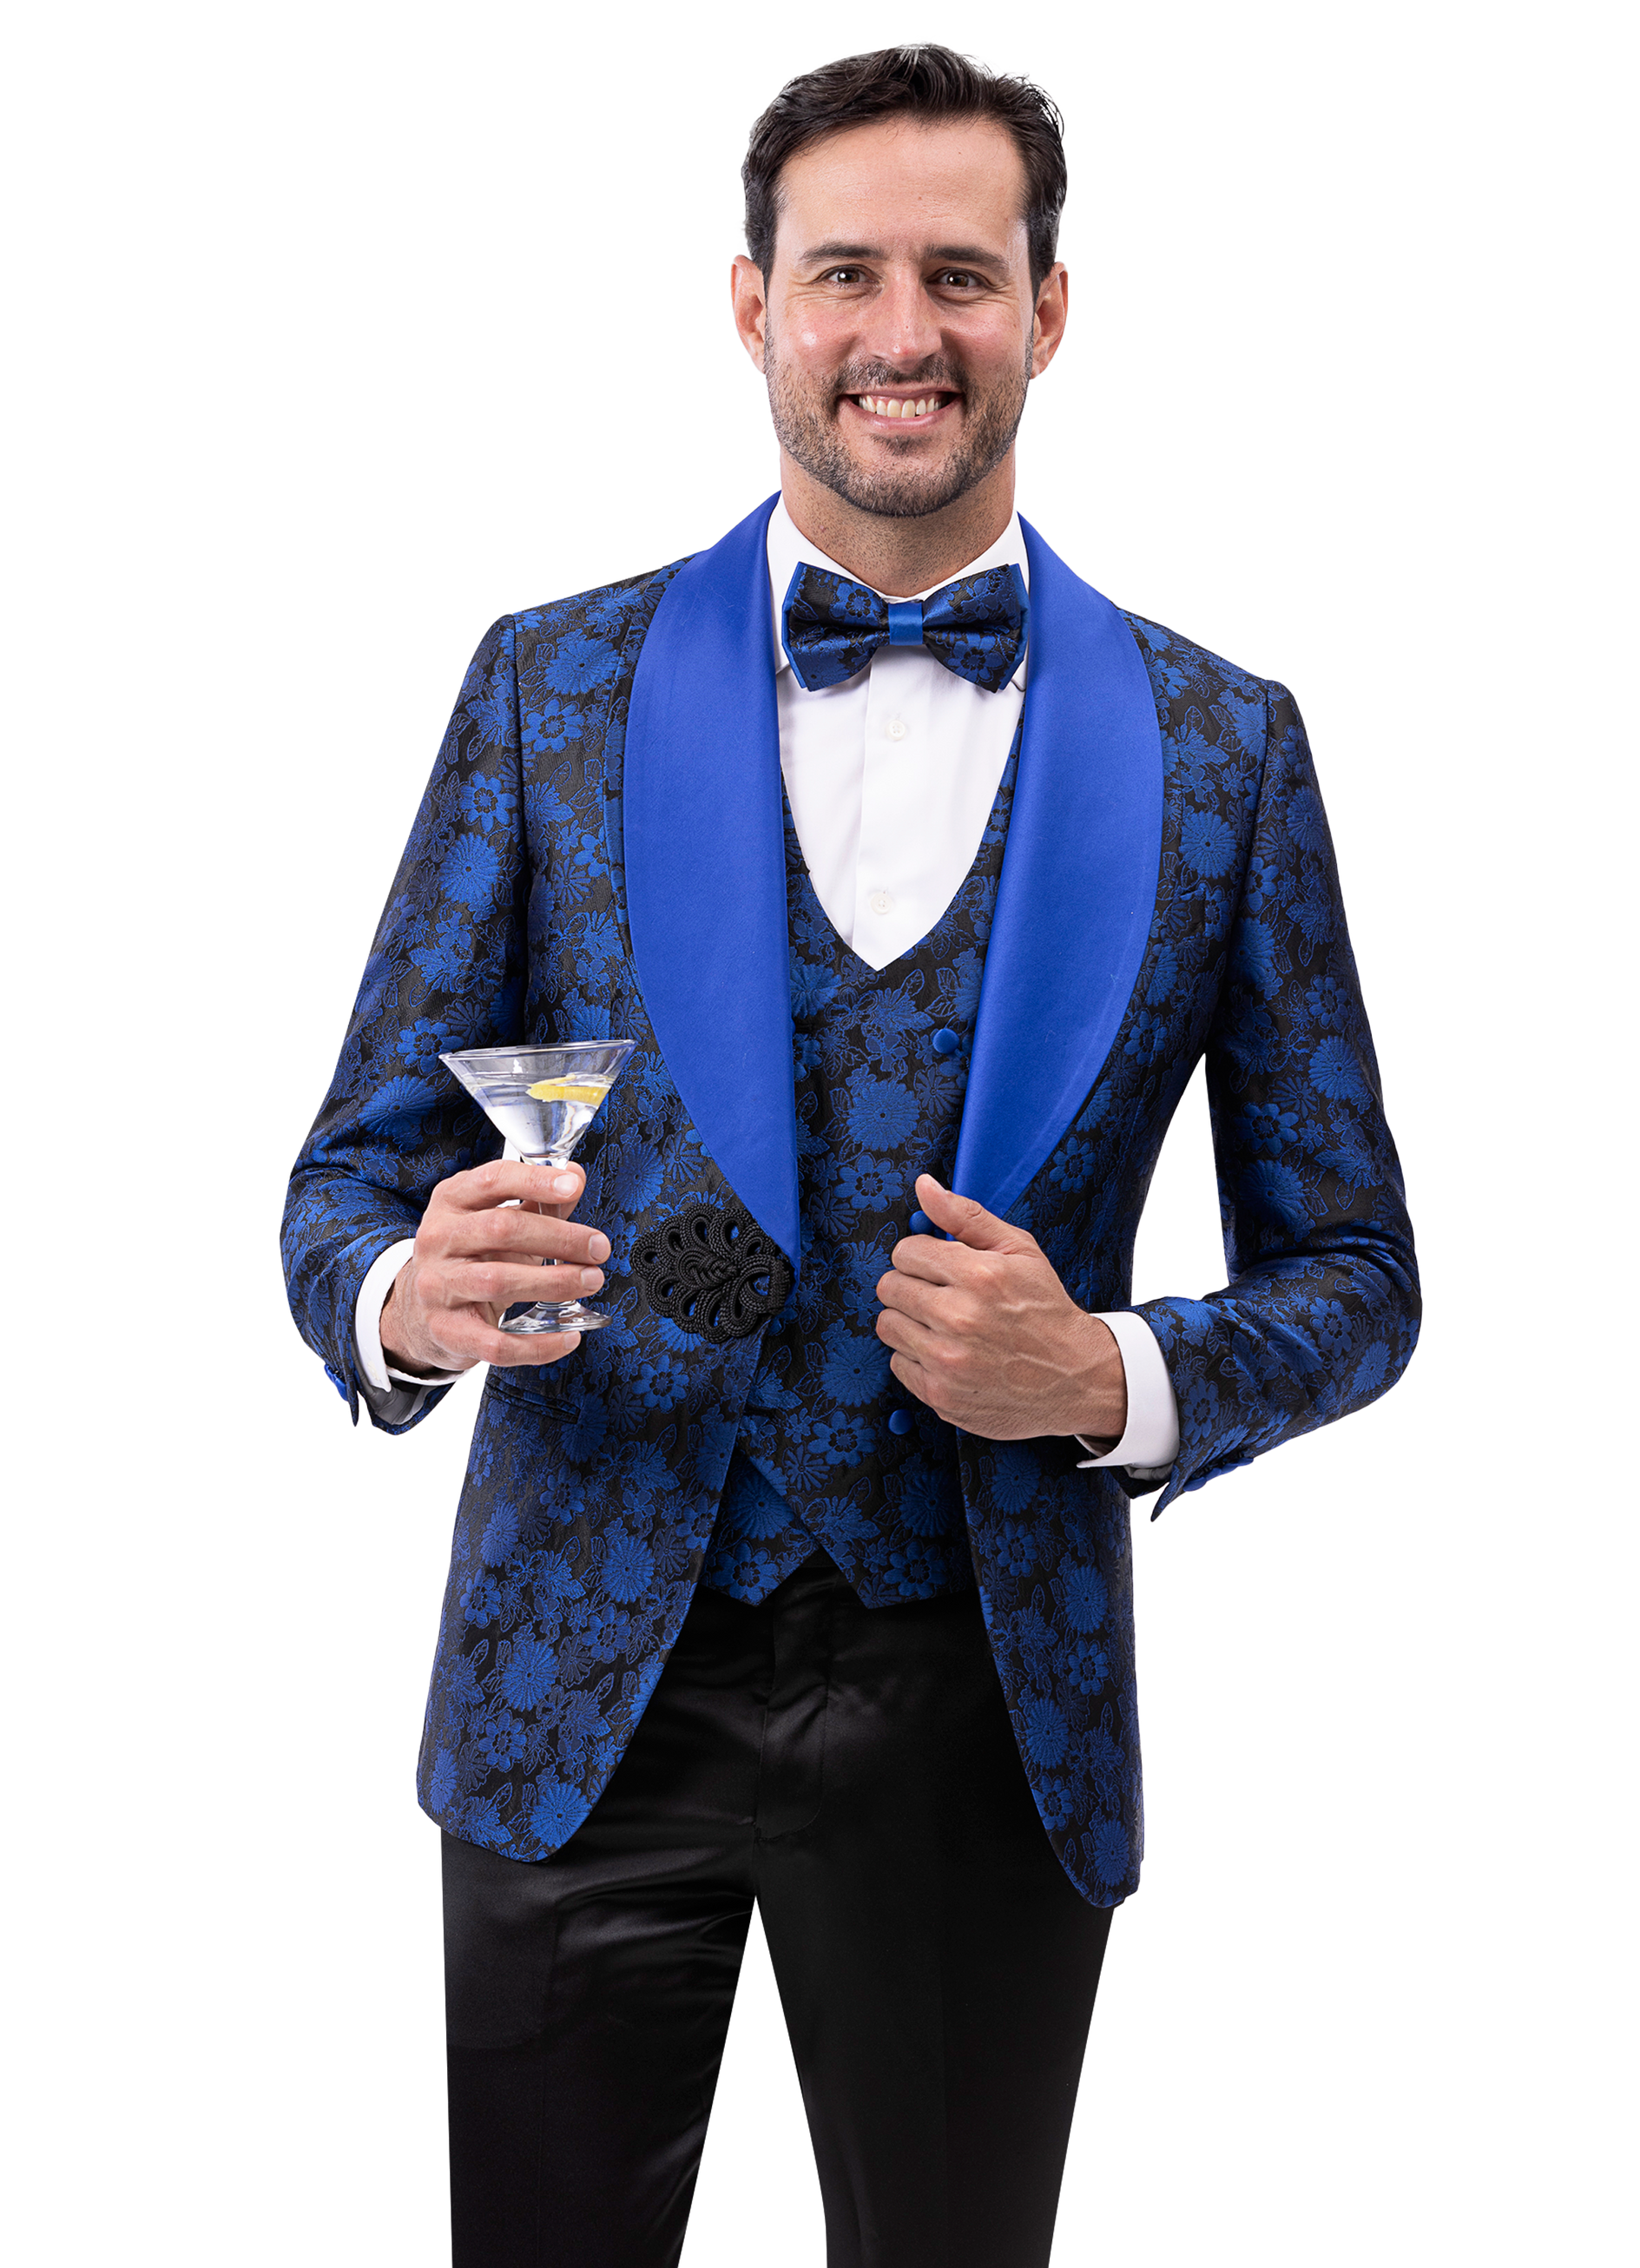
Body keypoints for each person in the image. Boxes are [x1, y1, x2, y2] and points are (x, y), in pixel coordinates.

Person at [280, 36, 1421, 2268]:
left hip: (990, 1696)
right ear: (751, 304)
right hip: (572, 1678)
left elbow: (1362, 1275)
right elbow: (341, 1181)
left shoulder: (1228, 743)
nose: (904, 332)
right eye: (846, 274)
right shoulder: (544, 683)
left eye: (960, 276)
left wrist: (1108, 1373)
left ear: (1049, 310)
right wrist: (402, 1297)